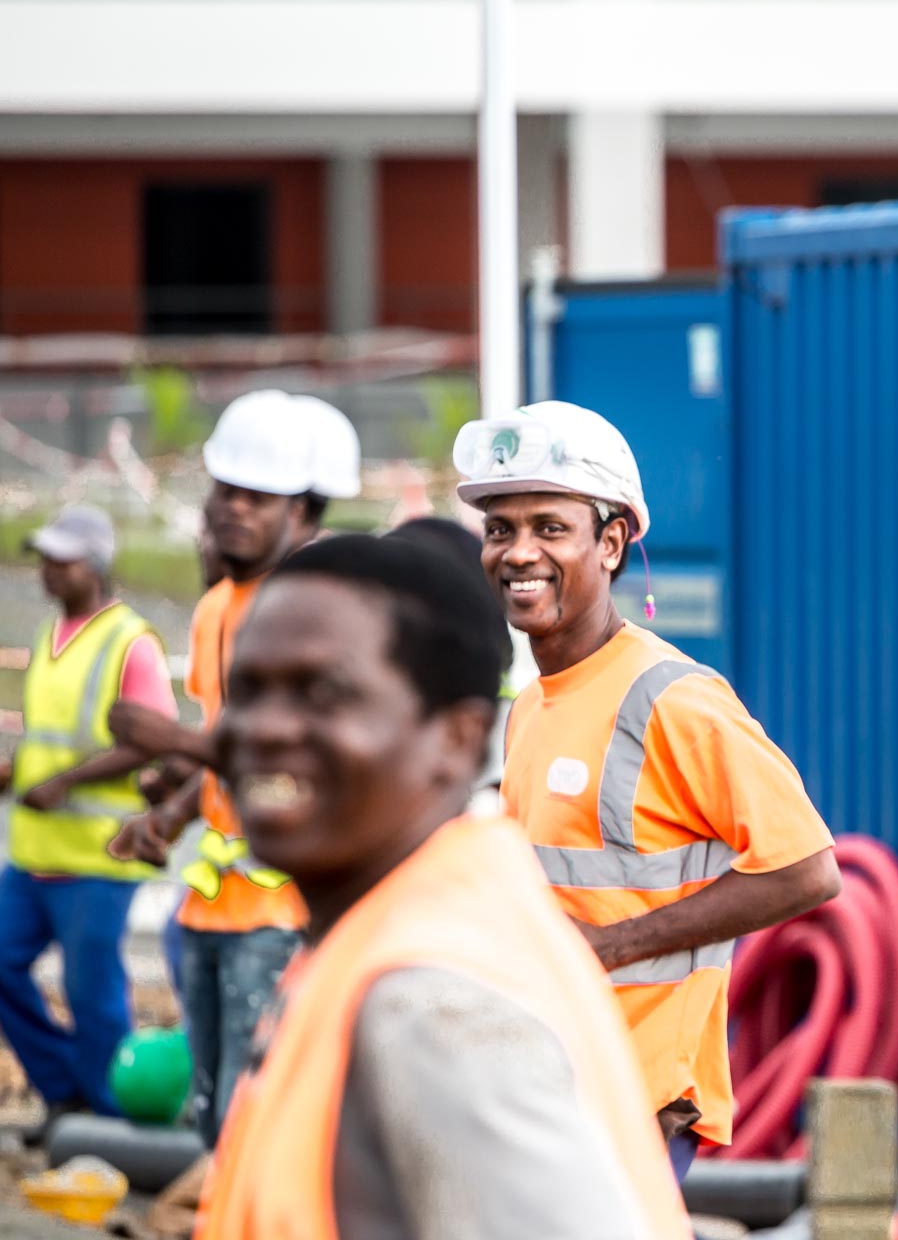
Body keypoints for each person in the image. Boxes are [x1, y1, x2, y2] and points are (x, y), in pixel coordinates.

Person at [195, 534, 692, 1240]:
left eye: (323, 694)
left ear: (458, 739)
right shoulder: (386, 929)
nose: (263, 730)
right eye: (246, 692)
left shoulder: (434, 1004)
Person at [454, 400, 841, 1179]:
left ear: (611, 542)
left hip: (633, 1094)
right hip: (551, 1080)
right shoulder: (531, 705)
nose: (518, 552)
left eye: (549, 528)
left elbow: (806, 870)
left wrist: (611, 946)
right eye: (500, 530)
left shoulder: (672, 698)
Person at [106, 387, 359, 1148]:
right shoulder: (220, 606)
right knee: (216, 1119)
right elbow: (224, 740)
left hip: (284, 912)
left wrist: (171, 740)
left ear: (302, 511)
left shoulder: (313, 610)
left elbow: (297, 751)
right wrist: (169, 809)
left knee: (262, 1118)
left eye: (257, 496)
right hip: (215, 903)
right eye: (225, 490)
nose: (232, 508)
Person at [0, 506, 176, 1141]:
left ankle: (111, 1120)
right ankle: (64, 1091)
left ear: (96, 565)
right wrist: (16, 772)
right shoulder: (50, 635)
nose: (49, 571)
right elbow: (51, 738)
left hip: (99, 855)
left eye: (63, 560)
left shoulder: (130, 641)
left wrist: (66, 783)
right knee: (3, 962)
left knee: (92, 994)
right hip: (34, 852)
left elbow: (152, 739)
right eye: (44, 559)